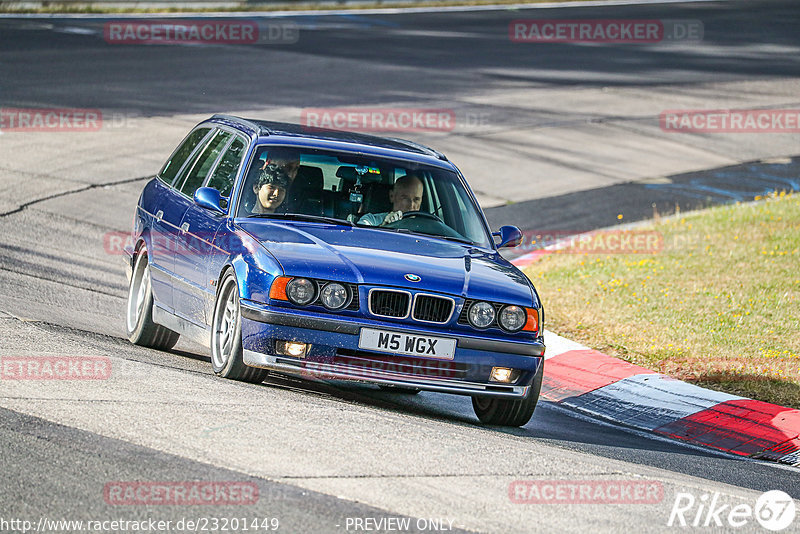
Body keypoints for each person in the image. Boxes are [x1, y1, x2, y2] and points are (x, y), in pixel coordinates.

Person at [358, 174, 424, 226]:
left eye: (416, 199)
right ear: (392, 196)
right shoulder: (371, 220)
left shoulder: (426, 228)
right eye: (405, 198)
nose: (411, 205)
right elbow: (359, 238)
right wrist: (384, 225)